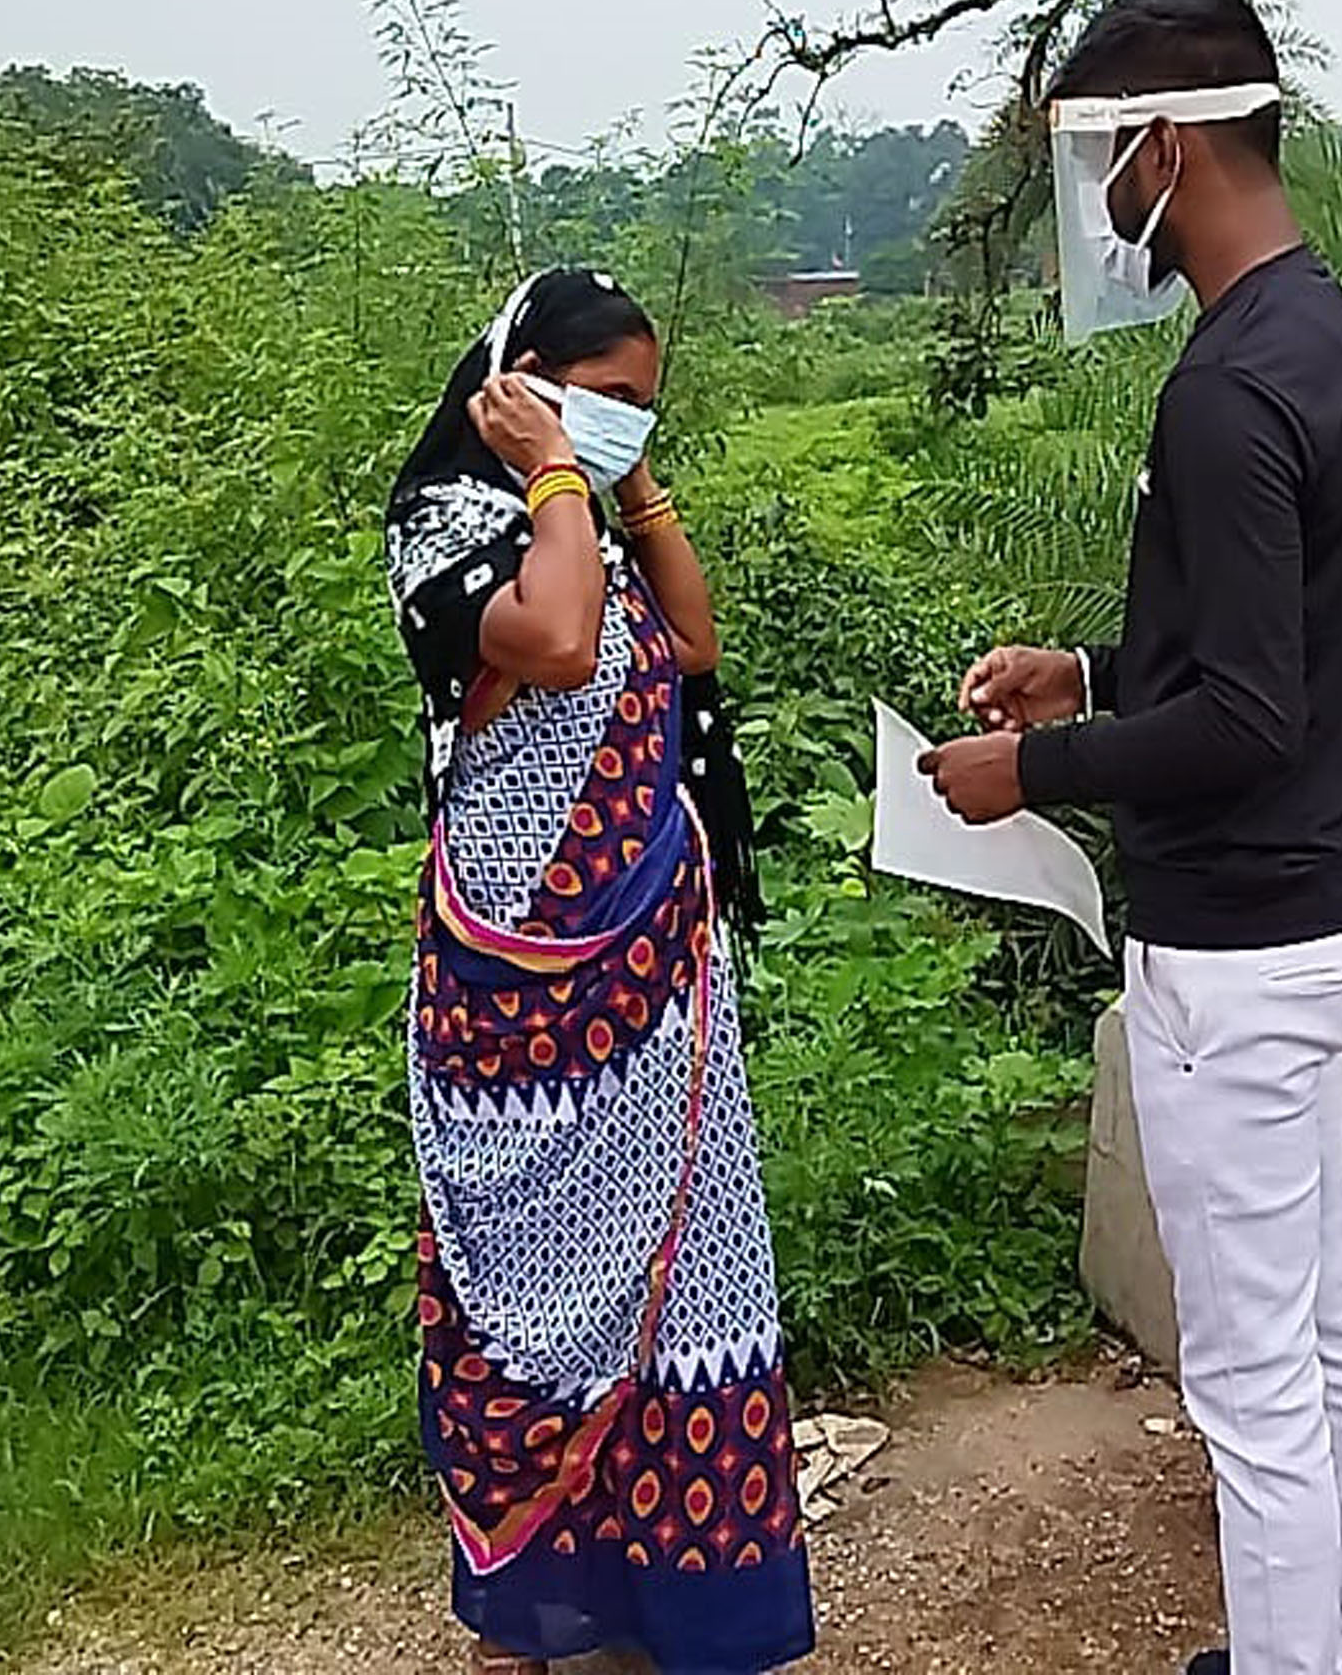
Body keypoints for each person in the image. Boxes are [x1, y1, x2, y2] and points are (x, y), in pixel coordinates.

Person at [921, 0, 1342, 1675]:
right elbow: (1281, 649)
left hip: (1237, 955)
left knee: (1257, 1389)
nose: (1104, 198)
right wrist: (1091, 672)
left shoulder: (1223, 391)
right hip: (1322, 919)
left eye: (1106, 157)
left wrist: (1036, 774)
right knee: (1331, 1324)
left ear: (1171, 147)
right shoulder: (1323, 333)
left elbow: (1250, 719)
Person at [385, 268, 811, 1675]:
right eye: (607, 397)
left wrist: (624, 482)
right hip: (526, 993)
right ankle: (536, 1605)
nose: (629, 420)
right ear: (516, 386)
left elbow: (689, 645)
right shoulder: (450, 530)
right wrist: (558, 476)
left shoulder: (583, 526)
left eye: (646, 406)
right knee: (526, 1297)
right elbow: (560, 646)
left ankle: (675, 1612)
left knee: (687, 1293)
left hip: (655, 989)